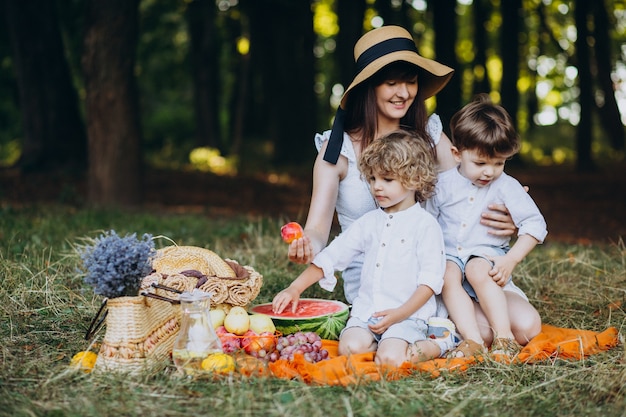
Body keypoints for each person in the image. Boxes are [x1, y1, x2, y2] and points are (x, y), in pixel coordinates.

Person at [288, 25, 524, 343]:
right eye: (391, 82)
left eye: (410, 81)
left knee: (524, 326)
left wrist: (509, 213)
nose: (403, 92)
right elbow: (317, 229)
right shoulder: (337, 150)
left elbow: (471, 187)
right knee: (482, 331)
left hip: (435, 266)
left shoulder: (428, 135)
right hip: (377, 276)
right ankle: (437, 337)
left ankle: (445, 328)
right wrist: (307, 246)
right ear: (369, 87)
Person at [273, 131, 455, 366]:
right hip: (367, 312)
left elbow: (430, 283)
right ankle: (383, 343)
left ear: (415, 179)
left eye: (387, 180)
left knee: (391, 359)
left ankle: (440, 342)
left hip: (407, 316)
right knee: (348, 348)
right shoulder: (369, 222)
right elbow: (332, 256)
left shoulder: (426, 225)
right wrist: (295, 288)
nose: (377, 187)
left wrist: (398, 315)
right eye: (372, 179)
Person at [425, 94, 547, 358]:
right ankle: (473, 341)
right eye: (480, 163)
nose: (489, 172)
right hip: (449, 258)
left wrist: (511, 260)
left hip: (486, 259)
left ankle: (504, 338)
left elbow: (535, 224)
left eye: (499, 163)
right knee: (448, 271)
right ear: (456, 154)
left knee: (477, 267)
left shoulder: (506, 186)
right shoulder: (442, 185)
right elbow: (428, 223)